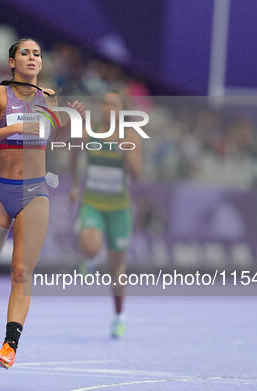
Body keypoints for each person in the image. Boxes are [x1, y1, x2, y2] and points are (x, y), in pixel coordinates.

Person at [0, 38, 82, 369]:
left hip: (35, 192)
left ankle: (10, 346)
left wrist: (69, 124)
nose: (32, 58)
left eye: (37, 53)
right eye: (25, 53)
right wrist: (12, 127)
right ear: (12, 62)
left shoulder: (50, 99)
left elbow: (55, 142)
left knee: (22, 271)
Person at [69, 92, 141, 338]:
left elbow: (138, 174)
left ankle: (119, 316)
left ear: (122, 110)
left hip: (119, 208)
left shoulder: (130, 136)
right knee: (89, 247)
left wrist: (126, 153)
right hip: (93, 202)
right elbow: (73, 155)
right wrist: (75, 184)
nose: (109, 108)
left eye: (115, 105)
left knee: (117, 269)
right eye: (106, 104)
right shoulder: (89, 131)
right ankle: (92, 256)